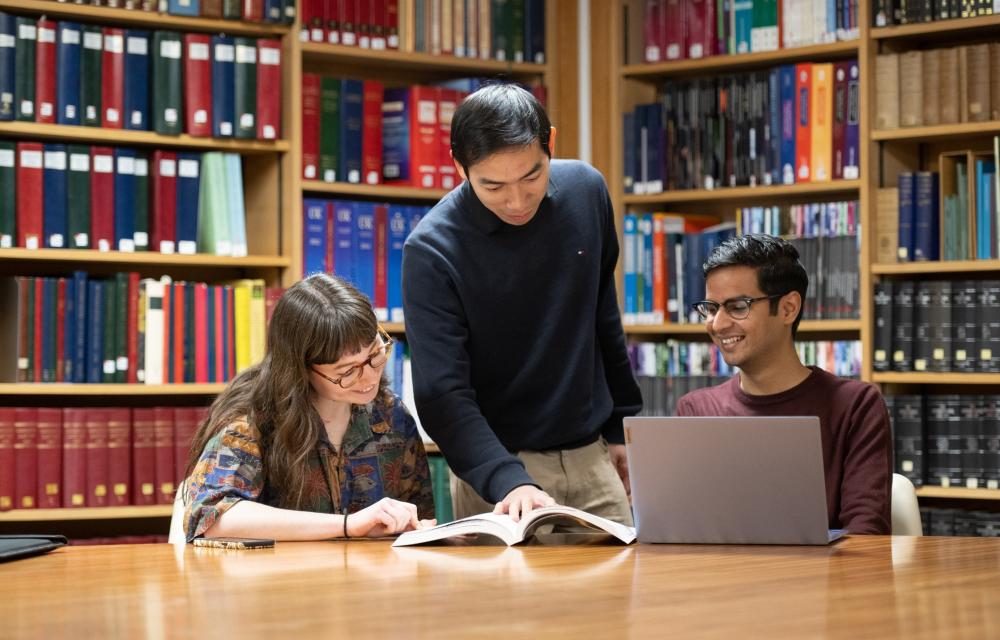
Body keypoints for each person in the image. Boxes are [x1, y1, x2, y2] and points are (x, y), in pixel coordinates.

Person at [401, 83, 641, 524]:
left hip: (593, 458)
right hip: (499, 474)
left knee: (620, 590)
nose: (516, 201)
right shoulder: (432, 250)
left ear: (550, 143)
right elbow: (441, 393)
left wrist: (622, 425)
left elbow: (601, 312)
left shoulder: (586, 192)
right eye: (492, 186)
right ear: (460, 168)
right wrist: (508, 479)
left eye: (532, 176)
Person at [181, 273, 435, 542]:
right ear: (300, 369)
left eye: (374, 354)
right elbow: (209, 518)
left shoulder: (391, 416)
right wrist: (348, 525)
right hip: (281, 579)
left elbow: (419, 512)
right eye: (347, 371)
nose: (370, 378)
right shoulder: (252, 421)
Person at [676, 234, 891, 534]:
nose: (717, 324)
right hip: (722, 578)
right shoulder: (696, 410)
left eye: (737, 306)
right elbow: (684, 530)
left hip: (823, 579)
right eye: (711, 308)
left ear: (789, 308)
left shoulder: (856, 406)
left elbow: (865, 535)